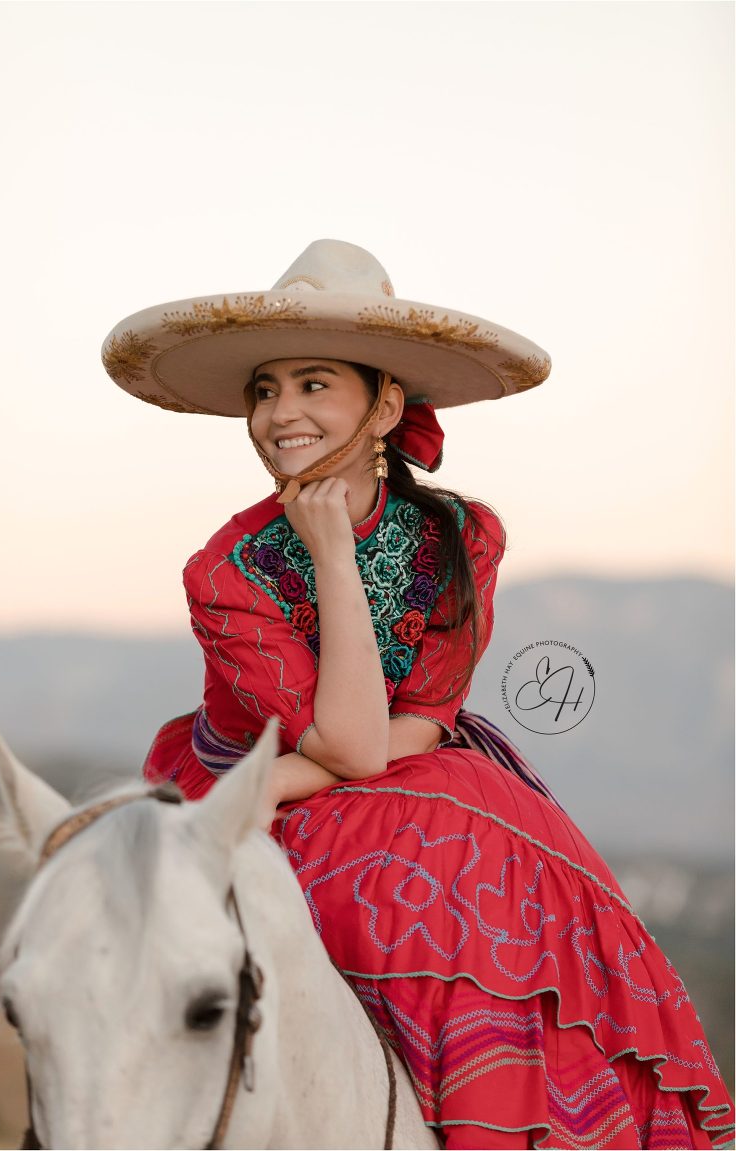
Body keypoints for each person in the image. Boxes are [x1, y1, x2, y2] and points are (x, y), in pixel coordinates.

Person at [102, 239, 735, 1149]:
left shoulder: (461, 535)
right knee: (413, 876)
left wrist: (317, 765)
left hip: (384, 765)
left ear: (385, 403)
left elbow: (420, 720)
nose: (281, 413)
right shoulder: (226, 570)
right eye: (265, 388)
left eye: (314, 383)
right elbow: (349, 745)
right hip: (255, 787)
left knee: (495, 855)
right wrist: (326, 553)